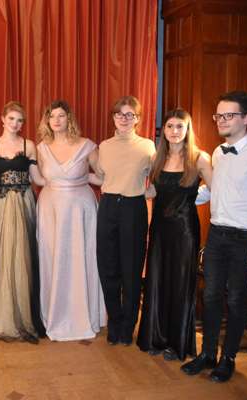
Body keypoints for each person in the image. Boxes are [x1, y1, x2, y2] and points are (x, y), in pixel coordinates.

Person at [181, 91, 247, 382]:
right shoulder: (218, 152)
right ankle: (208, 354)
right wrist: (181, 197)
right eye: (219, 115)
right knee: (210, 296)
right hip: (216, 236)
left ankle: (229, 358)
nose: (221, 120)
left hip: (244, 239)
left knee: (236, 300)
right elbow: (215, 190)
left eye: (229, 115)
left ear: (246, 118)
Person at [136, 109, 212, 361]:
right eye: (170, 126)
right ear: (164, 130)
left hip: (184, 230)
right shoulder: (157, 158)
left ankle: (176, 343)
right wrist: (129, 190)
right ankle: (155, 337)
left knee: (180, 284)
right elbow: (154, 192)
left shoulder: (199, 158)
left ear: (187, 130)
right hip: (159, 229)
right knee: (157, 280)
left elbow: (217, 188)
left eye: (180, 126)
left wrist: (193, 198)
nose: (174, 131)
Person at [36, 99, 106, 341]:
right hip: (50, 210)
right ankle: (54, 314)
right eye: (52, 116)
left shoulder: (87, 146)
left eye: (61, 116)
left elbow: (102, 177)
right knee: (52, 259)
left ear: (69, 119)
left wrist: (83, 178)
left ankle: (83, 315)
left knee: (81, 258)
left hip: (80, 210)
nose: (56, 120)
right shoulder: (41, 148)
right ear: (47, 121)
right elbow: (41, 179)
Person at [96, 96, 156, 346]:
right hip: (108, 206)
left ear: (137, 119)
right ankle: (115, 322)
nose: (124, 118)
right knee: (108, 268)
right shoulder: (104, 146)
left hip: (133, 208)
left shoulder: (148, 146)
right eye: (119, 114)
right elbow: (102, 177)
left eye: (130, 114)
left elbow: (158, 177)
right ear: (113, 117)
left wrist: (149, 192)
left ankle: (128, 326)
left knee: (131, 270)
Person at [0, 101, 45, 342]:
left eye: (20, 120)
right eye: (11, 119)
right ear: (2, 119)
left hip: (22, 202)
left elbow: (38, 179)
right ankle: (2, 317)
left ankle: (24, 315)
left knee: (22, 255)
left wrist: (65, 181)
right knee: (2, 255)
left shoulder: (29, 145)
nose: (15, 124)